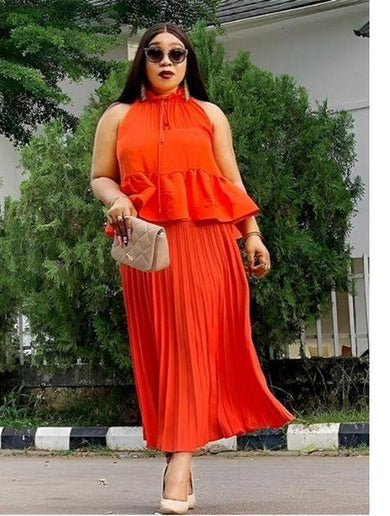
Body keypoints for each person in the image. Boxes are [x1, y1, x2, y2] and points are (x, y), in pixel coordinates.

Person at [90, 21, 295, 515]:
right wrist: (117, 200)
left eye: (176, 54)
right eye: (155, 53)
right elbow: (100, 176)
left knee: (193, 345)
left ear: (188, 61)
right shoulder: (118, 116)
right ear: (141, 59)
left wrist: (252, 235)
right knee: (164, 351)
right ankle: (179, 453)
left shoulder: (209, 114)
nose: (166, 61)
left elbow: (231, 179)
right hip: (149, 250)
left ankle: (178, 465)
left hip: (208, 245)